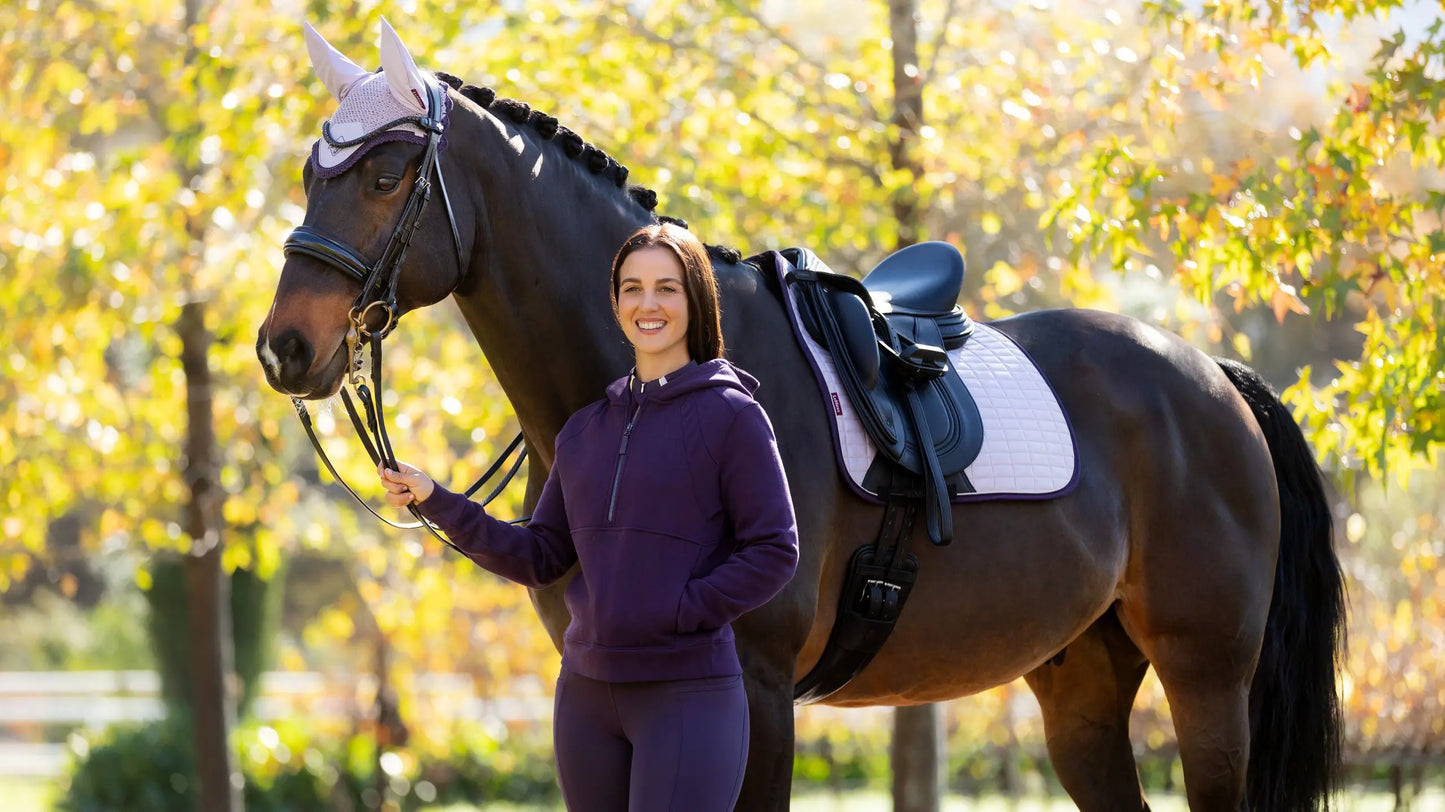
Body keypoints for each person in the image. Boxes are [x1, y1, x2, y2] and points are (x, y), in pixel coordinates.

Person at [378, 223, 799, 811]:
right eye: (632, 288)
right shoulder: (585, 430)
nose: (647, 304)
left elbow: (775, 549)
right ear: (616, 302)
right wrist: (435, 498)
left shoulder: (732, 416)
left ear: (696, 299)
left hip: (686, 694)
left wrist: (682, 610)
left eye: (666, 288)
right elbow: (540, 555)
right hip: (585, 700)